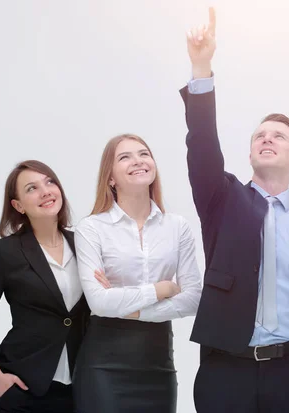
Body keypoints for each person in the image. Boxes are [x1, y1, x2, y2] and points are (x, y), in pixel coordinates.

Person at [181, 8, 289, 413]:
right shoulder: (223, 199)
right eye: (259, 136)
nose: (267, 140)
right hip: (226, 375)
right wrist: (202, 68)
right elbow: (202, 147)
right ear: (250, 151)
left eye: (279, 136)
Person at [72, 134, 202, 413]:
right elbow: (99, 303)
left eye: (144, 154)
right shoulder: (92, 228)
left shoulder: (177, 227)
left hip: (158, 364)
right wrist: (161, 290)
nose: (138, 161)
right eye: (125, 157)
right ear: (110, 178)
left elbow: (193, 299)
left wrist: (132, 310)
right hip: (103, 366)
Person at [0, 160, 89, 412]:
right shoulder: (6, 252)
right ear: (18, 205)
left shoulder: (86, 244)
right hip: (21, 387)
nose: (45, 191)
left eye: (50, 181)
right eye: (32, 188)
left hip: (82, 388)